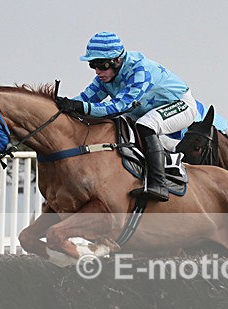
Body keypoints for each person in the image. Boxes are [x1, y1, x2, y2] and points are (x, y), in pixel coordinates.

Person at [55, 31, 198, 202]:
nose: (98, 72)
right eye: (93, 65)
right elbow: (85, 99)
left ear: (117, 60)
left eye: (102, 65)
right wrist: (59, 106)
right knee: (117, 124)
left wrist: (80, 107)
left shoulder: (140, 70)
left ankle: (158, 184)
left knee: (146, 125)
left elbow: (120, 106)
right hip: (146, 111)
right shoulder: (105, 77)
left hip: (181, 105)